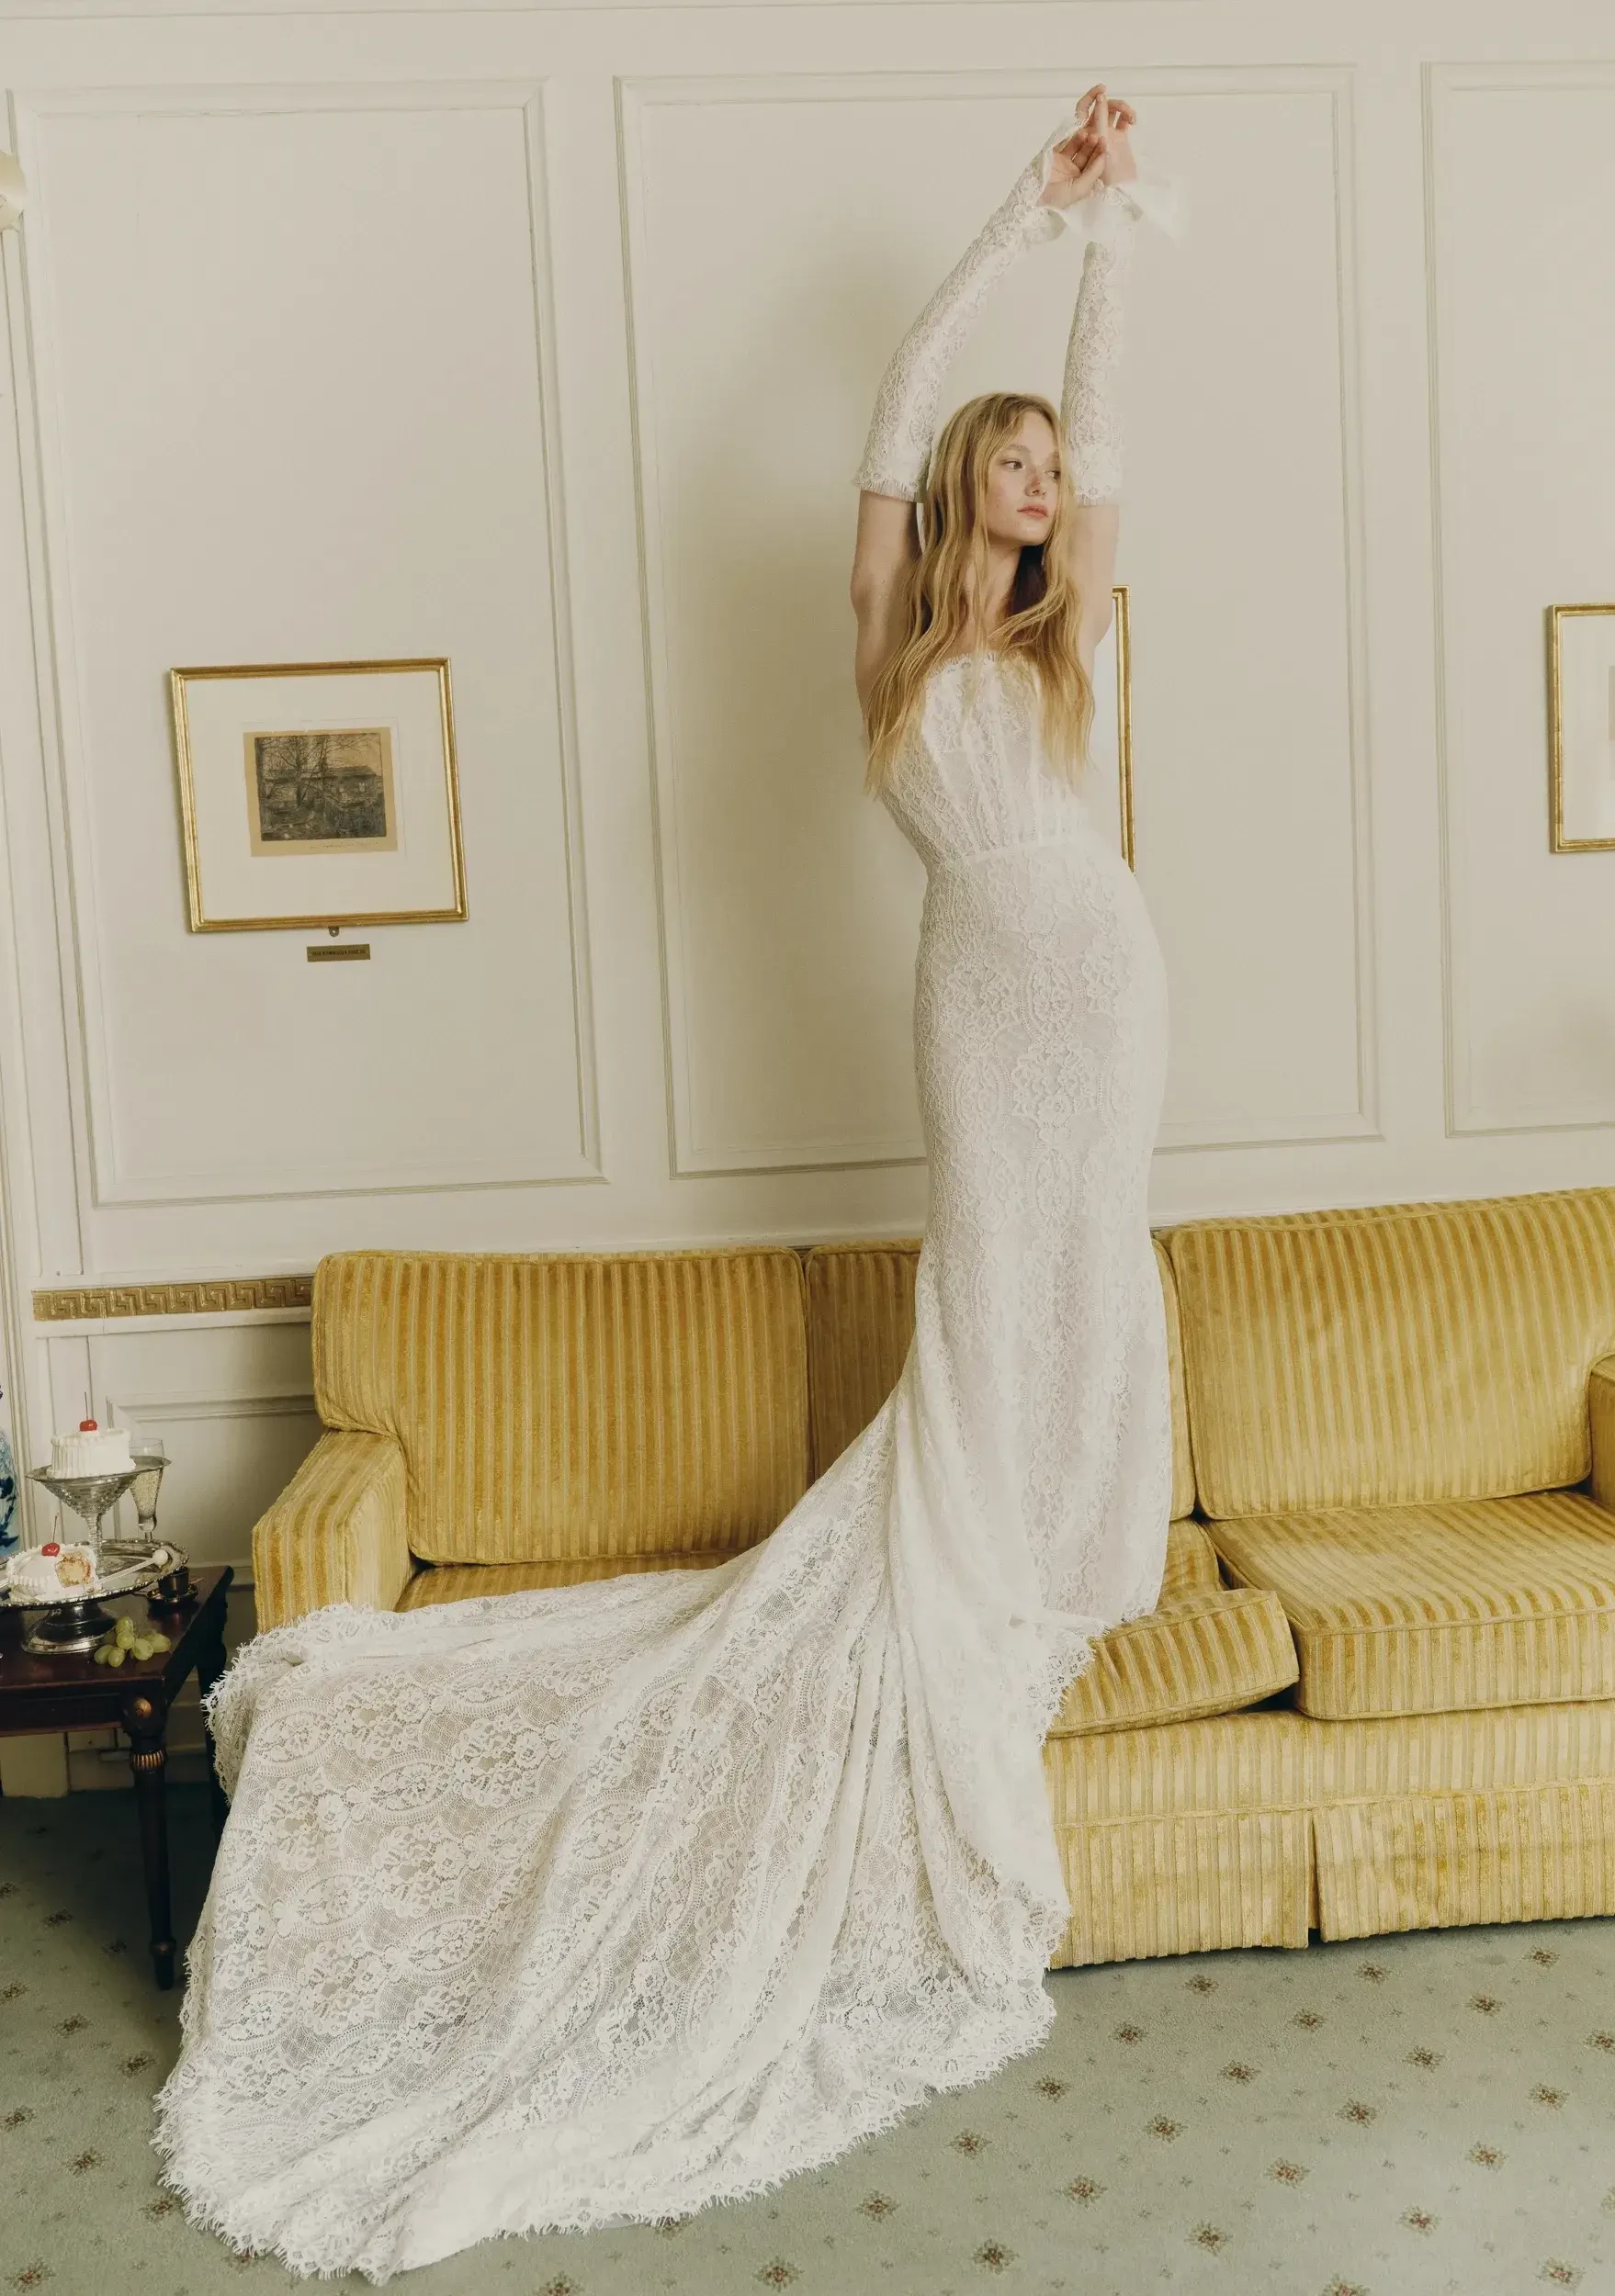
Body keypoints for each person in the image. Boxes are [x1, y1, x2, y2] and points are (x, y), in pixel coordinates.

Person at [153, 84, 1177, 2284]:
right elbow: (894, 411)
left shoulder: (1074, 621)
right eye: (997, 470)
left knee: (1095, 1267)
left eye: (1032, 470)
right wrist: (1019, 200)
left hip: (1113, 980)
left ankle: (1068, 1543)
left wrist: (1111, 240)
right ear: (950, 508)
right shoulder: (893, 645)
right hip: (982, 1001)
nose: (1019, 482)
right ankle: (986, 1546)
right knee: (995, 1278)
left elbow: (1099, 431)